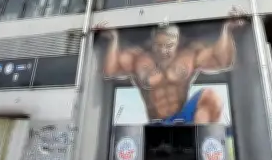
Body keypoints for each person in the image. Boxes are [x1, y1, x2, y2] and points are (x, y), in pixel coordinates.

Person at [99, 7, 246, 124]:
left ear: (177, 42)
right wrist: (114, 39)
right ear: (152, 43)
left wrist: (227, 29)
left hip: (183, 119)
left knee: (211, 97)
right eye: (159, 45)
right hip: (156, 123)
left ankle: (200, 142)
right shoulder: (139, 58)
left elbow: (222, 61)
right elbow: (110, 70)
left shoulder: (188, 56)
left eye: (169, 46)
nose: (163, 50)